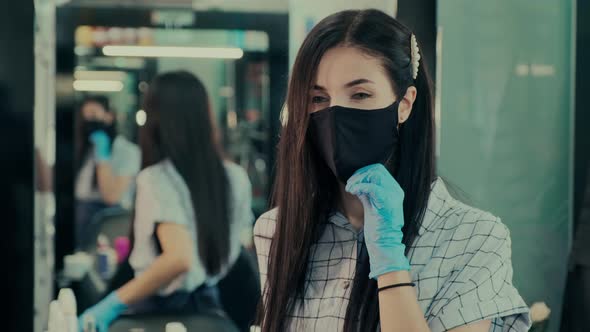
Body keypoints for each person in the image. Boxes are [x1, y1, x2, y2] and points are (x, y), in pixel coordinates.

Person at [254, 9, 530, 332]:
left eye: (360, 94)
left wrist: (389, 261)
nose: (336, 114)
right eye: (318, 98)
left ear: (405, 105)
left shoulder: (473, 238)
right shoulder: (278, 231)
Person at [77, 71, 254, 331]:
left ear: (156, 119)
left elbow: (179, 259)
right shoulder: (236, 177)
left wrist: (112, 303)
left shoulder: (157, 179)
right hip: (212, 314)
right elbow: (242, 242)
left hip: (156, 315)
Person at [74, 96, 141, 247]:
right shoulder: (84, 150)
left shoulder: (127, 151)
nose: (88, 122)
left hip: (108, 217)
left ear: (109, 117)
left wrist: (102, 158)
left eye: (93, 116)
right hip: (79, 214)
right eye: (85, 117)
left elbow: (111, 197)